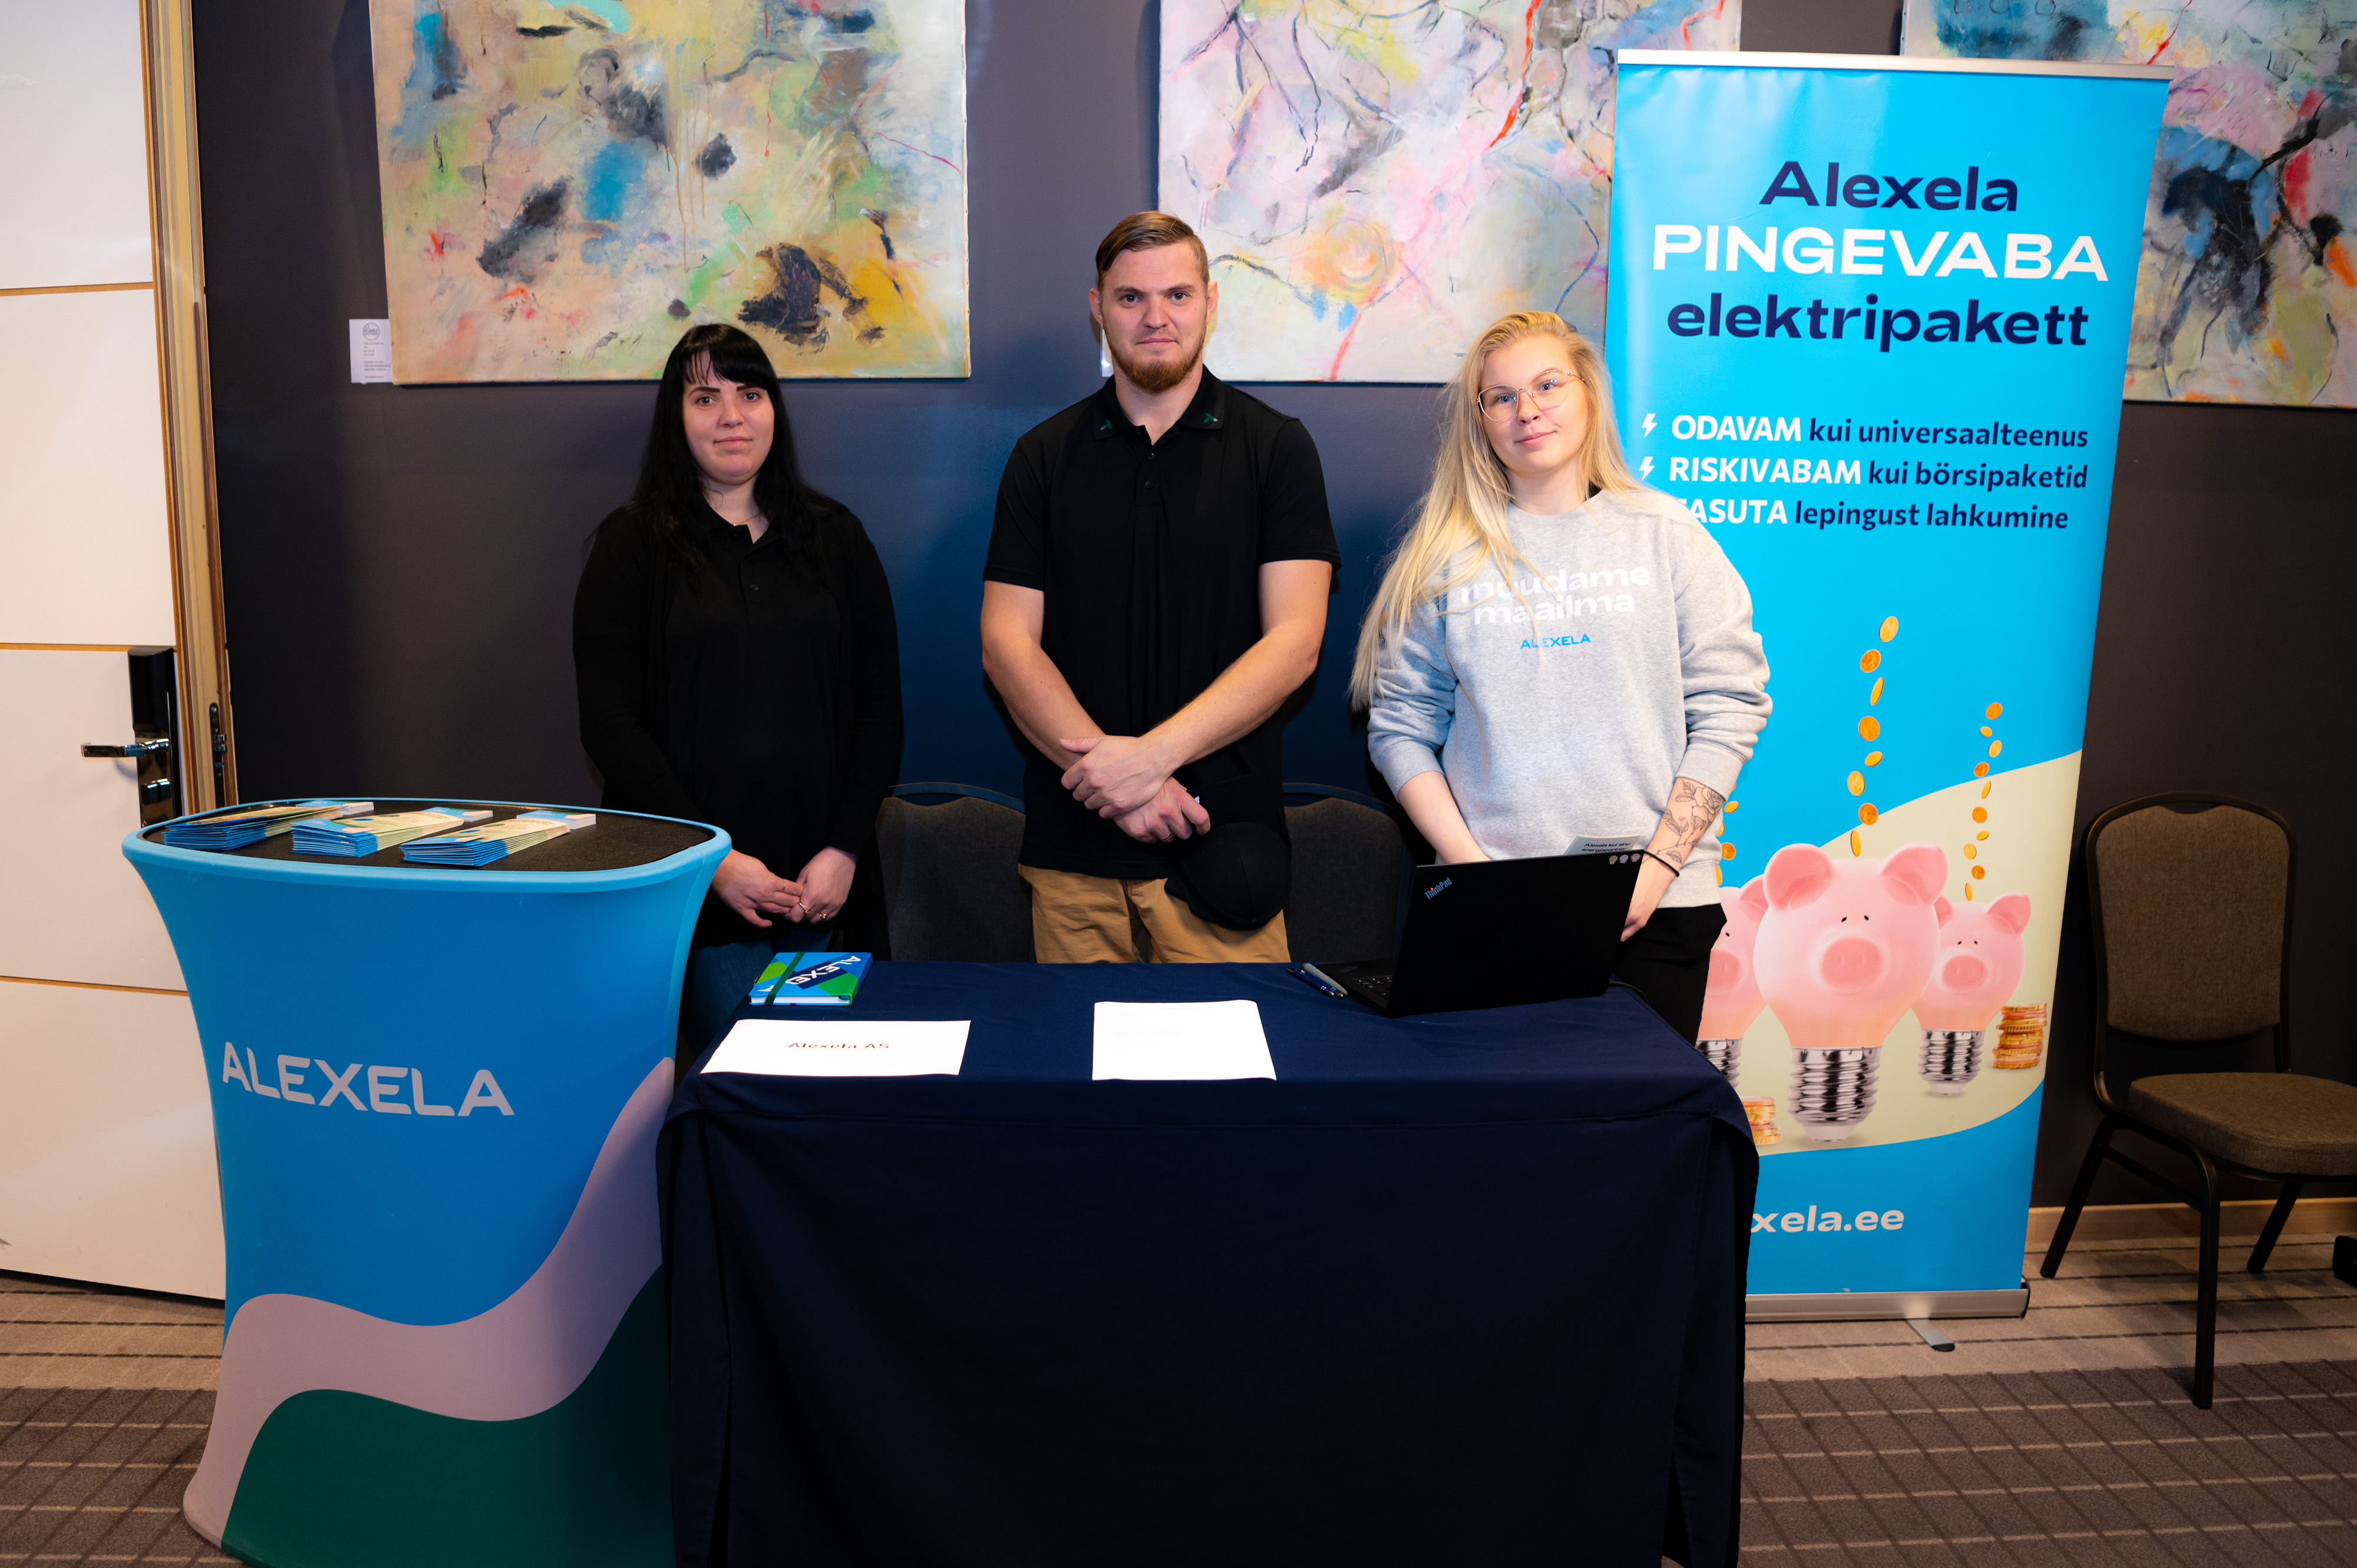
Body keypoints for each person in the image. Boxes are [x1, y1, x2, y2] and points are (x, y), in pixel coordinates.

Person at [1355, 311, 1770, 1042]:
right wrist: (1475, 874)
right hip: (1493, 908)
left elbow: (1732, 706)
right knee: (1505, 1112)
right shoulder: (1445, 557)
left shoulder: (1667, 534)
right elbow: (1398, 730)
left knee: (1640, 1113)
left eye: (1548, 384)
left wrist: (1654, 871)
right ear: (1480, 421)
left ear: (1588, 394)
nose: (1528, 409)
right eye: (1501, 396)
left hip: (1658, 907)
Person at [980, 212, 1340, 963]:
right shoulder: (1042, 456)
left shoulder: (1276, 447)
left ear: (1210, 301)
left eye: (1177, 295)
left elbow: (1296, 642)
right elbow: (1006, 644)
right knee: (1071, 1045)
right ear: (1097, 308)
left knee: (1234, 1045)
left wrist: (1149, 761)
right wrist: (1121, 788)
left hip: (1221, 848)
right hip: (1074, 851)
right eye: (1130, 298)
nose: (1155, 317)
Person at [575, 322, 902, 1052]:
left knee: (821, 1088)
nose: (731, 417)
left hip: (824, 893)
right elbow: (609, 724)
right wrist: (713, 861)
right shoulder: (631, 546)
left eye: (749, 394)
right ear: (675, 418)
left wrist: (845, 850)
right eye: (705, 398)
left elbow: (880, 707)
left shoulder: (837, 537)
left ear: (773, 409)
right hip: (693, 900)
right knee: (733, 1089)